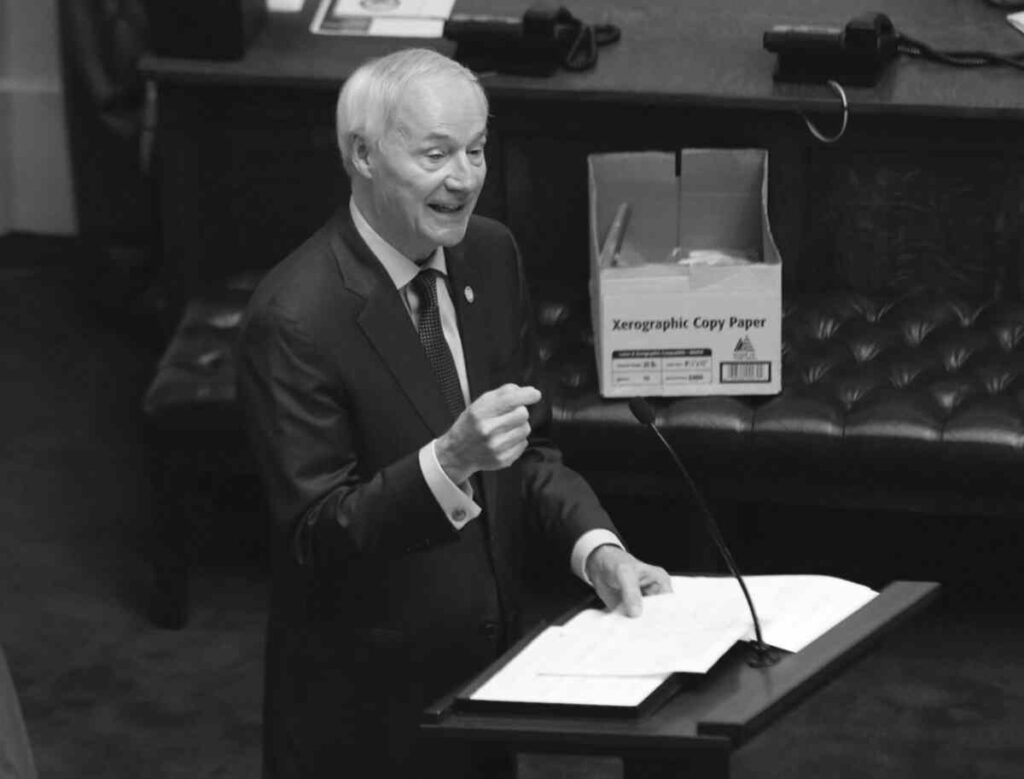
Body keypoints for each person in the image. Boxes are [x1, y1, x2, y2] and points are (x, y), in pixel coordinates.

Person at [237, 47, 670, 779]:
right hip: (365, 722)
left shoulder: (490, 255)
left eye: (476, 150)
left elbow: (528, 450)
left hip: (484, 688)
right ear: (363, 155)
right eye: (436, 154)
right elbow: (315, 536)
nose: (465, 178)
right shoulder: (294, 319)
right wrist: (449, 461)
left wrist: (597, 550)